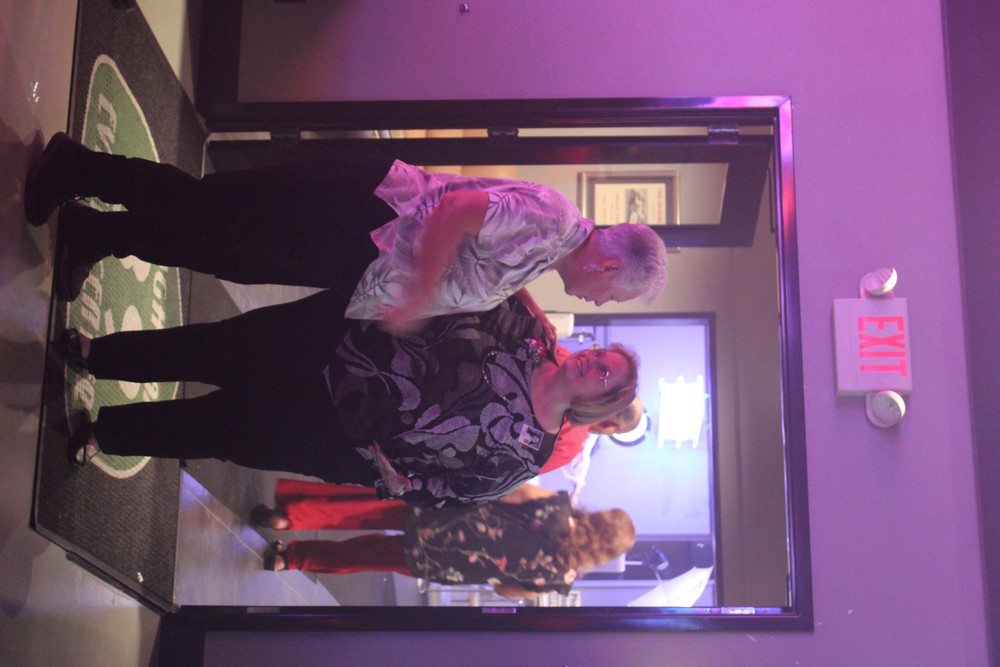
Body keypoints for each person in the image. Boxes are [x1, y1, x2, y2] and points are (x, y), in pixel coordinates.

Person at [24, 133, 669, 332]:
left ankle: (97, 234)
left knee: (226, 252)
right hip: (361, 218)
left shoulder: (548, 252)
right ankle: (77, 167)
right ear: (610, 267)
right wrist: (420, 295)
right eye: (613, 296)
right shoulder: (553, 224)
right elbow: (458, 212)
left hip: (359, 248)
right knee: (210, 213)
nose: (599, 303)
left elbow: (480, 251)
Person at [64, 292, 640, 508]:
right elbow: (465, 289)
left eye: (603, 375)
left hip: (343, 436)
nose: (591, 362)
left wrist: (398, 481)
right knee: (215, 349)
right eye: (600, 355)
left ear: (600, 404)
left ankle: (108, 434)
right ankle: (100, 354)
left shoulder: (527, 452)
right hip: (333, 341)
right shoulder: (529, 333)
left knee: (219, 430)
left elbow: (455, 493)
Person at [248, 396, 645, 531]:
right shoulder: (570, 446)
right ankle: (291, 513)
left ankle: (260, 416)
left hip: (438, 398)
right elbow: (510, 477)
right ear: (611, 427)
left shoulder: (568, 375)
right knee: (368, 491)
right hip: (447, 461)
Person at [260, 484, 636, 601]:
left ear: (599, 517)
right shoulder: (561, 578)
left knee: (363, 512)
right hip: (446, 563)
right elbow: (506, 591)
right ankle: (290, 560)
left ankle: (288, 517)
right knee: (365, 558)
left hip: (447, 517)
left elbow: (512, 492)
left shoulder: (557, 509)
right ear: (605, 554)